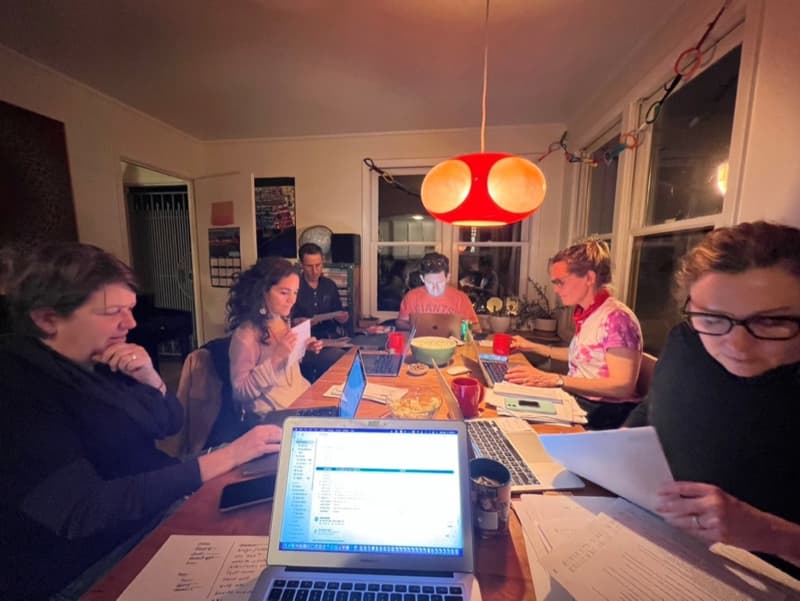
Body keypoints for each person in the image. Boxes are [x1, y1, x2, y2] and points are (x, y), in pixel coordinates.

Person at [0, 243, 282, 601]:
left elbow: (168, 423)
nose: (131, 324)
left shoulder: (98, 359)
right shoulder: (16, 386)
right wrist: (227, 456)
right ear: (46, 319)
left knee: (276, 510)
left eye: (130, 310)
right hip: (91, 563)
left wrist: (151, 378)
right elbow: (84, 510)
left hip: (155, 507)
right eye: (113, 312)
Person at [624, 221, 800, 577]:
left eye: (772, 322)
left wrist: (770, 534)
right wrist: (607, 455)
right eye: (713, 317)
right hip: (653, 547)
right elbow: (654, 407)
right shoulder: (686, 342)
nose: (736, 345)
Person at [507, 239, 643, 429]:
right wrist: (533, 347)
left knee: (515, 422)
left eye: (560, 282)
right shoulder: (589, 313)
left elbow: (622, 386)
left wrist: (556, 379)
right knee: (511, 400)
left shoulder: (616, 318)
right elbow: (584, 356)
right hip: (581, 402)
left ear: (589, 278)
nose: (556, 289)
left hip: (605, 413)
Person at [228, 257, 323, 416]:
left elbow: (286, 369)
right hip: (273, 416)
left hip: (300, 400)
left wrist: (302, 348)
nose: (292, 300)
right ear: (263, 292)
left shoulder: (281, 319)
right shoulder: (245, 335)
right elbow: (240, 393)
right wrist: (276, 358)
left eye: (295, 292)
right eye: (284, 293)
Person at [291, 243, 349, 382]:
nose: (315, 270)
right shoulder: (294, 287)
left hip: (330, 338)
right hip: (307, 344)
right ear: (301, 265)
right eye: (310, 266)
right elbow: (287, 321)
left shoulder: (329, 285)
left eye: (318, 265)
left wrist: (342, 317)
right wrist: (297, 322)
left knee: (355, 353)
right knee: (340, 359)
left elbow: (338, 312)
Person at [396, 252, 480, 332]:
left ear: (448, 277)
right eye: (430, 283)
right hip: (421, 343)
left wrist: (457, 328)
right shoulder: (412, 297)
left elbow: (476, 327)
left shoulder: (461, 298)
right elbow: (400, 323)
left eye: (440, 282)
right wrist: (419, 328)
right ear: (422, 279)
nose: (435, 288)